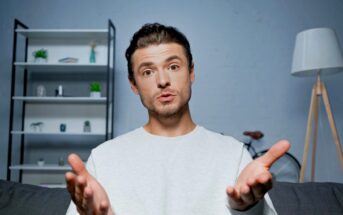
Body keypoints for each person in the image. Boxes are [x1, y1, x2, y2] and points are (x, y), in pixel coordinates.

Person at [65, 23, 290, 215]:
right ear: (134, 84)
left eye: (173, 67)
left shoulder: (233, 154)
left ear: (191, 72)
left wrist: (247, 209)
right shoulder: (104, 158)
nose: (163, 80)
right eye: (147, 72)